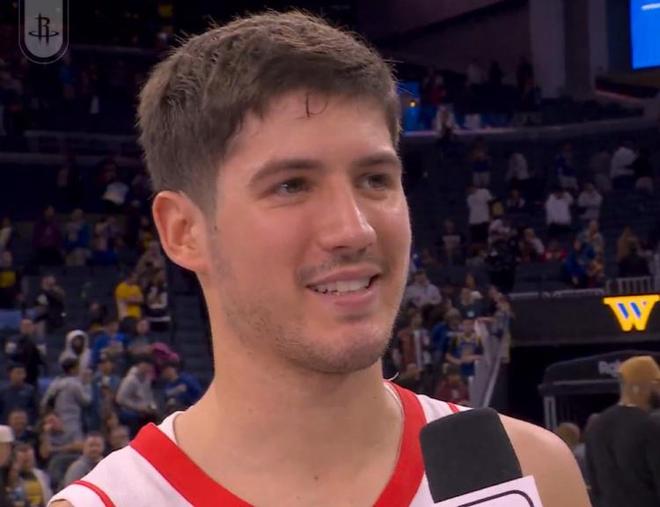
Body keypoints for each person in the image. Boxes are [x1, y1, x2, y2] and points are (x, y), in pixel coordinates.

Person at [49, 11, 589, 507]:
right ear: (183, 231)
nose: (353, 230)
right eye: (292, 186)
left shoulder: (528, 473)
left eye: (375, 179)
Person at [585, 356, 660, 507]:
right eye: (657, 384)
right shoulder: (650, 425)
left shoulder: (595, 426)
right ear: (639, 387)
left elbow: (594, 483)